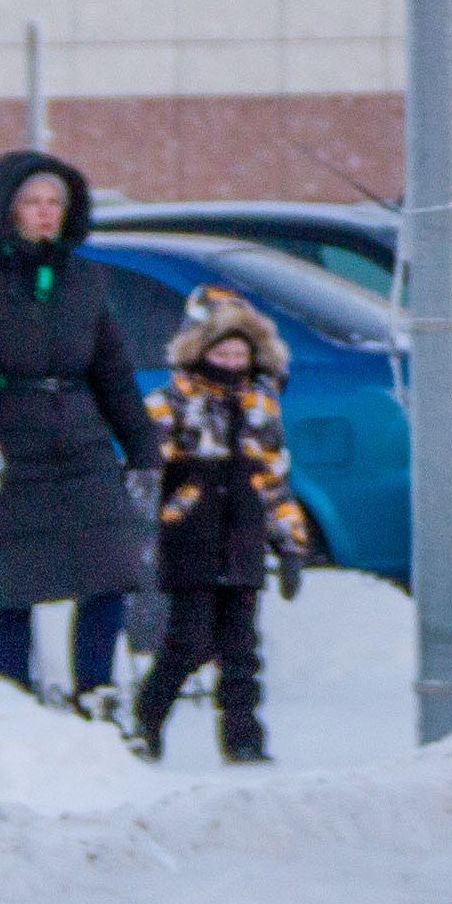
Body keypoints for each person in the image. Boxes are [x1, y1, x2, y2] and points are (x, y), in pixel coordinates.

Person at [0, 149, 156, 714]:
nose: (45, 212)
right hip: (8, 445)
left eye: (55, 201)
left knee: (109, 570)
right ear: (7, 209)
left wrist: (143, 451)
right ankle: (12, 701)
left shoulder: (85, 280)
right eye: (32, 201)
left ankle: (96, 692)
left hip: (80, 444)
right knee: (9, 582)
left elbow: (113, 373)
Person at [128, 285, 312, 767]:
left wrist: (290, 545)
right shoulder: (171, 402)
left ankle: (243, 737)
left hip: (243, 538)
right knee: (186, 640)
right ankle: (147, 722)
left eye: (239, 354)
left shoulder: (261, 405)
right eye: (221, 352)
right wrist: (149, 522)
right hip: (191, 536)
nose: (231, 363)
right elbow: (146, 470)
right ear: (199, 351)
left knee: (241, 647)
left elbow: (274, 478)